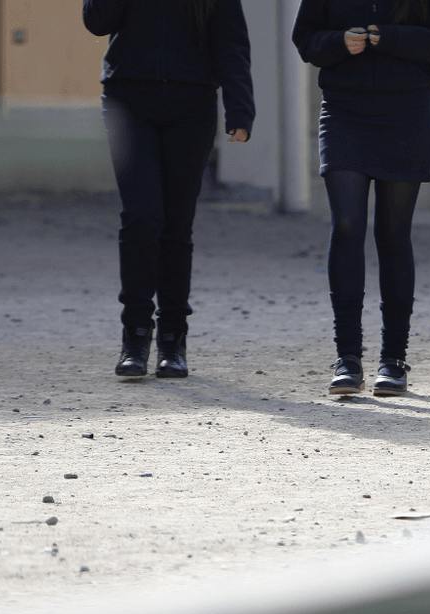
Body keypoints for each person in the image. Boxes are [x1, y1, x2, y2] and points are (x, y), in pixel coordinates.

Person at [292, 0, 430, 397]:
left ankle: (393, 360)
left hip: (406, 111)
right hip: (344, 111)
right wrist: (338, 41)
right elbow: (306, 39)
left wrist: (392, 38)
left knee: (392, 233)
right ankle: (348, 358)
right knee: (347, 224)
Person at [84, 0, 255, 379]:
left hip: (192, 104)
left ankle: (173, 340)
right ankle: (136, 336)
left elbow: (230, 40)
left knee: (177, 225)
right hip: (128, 100)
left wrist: (240, 107)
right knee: (141, 216)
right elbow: (96, 22)